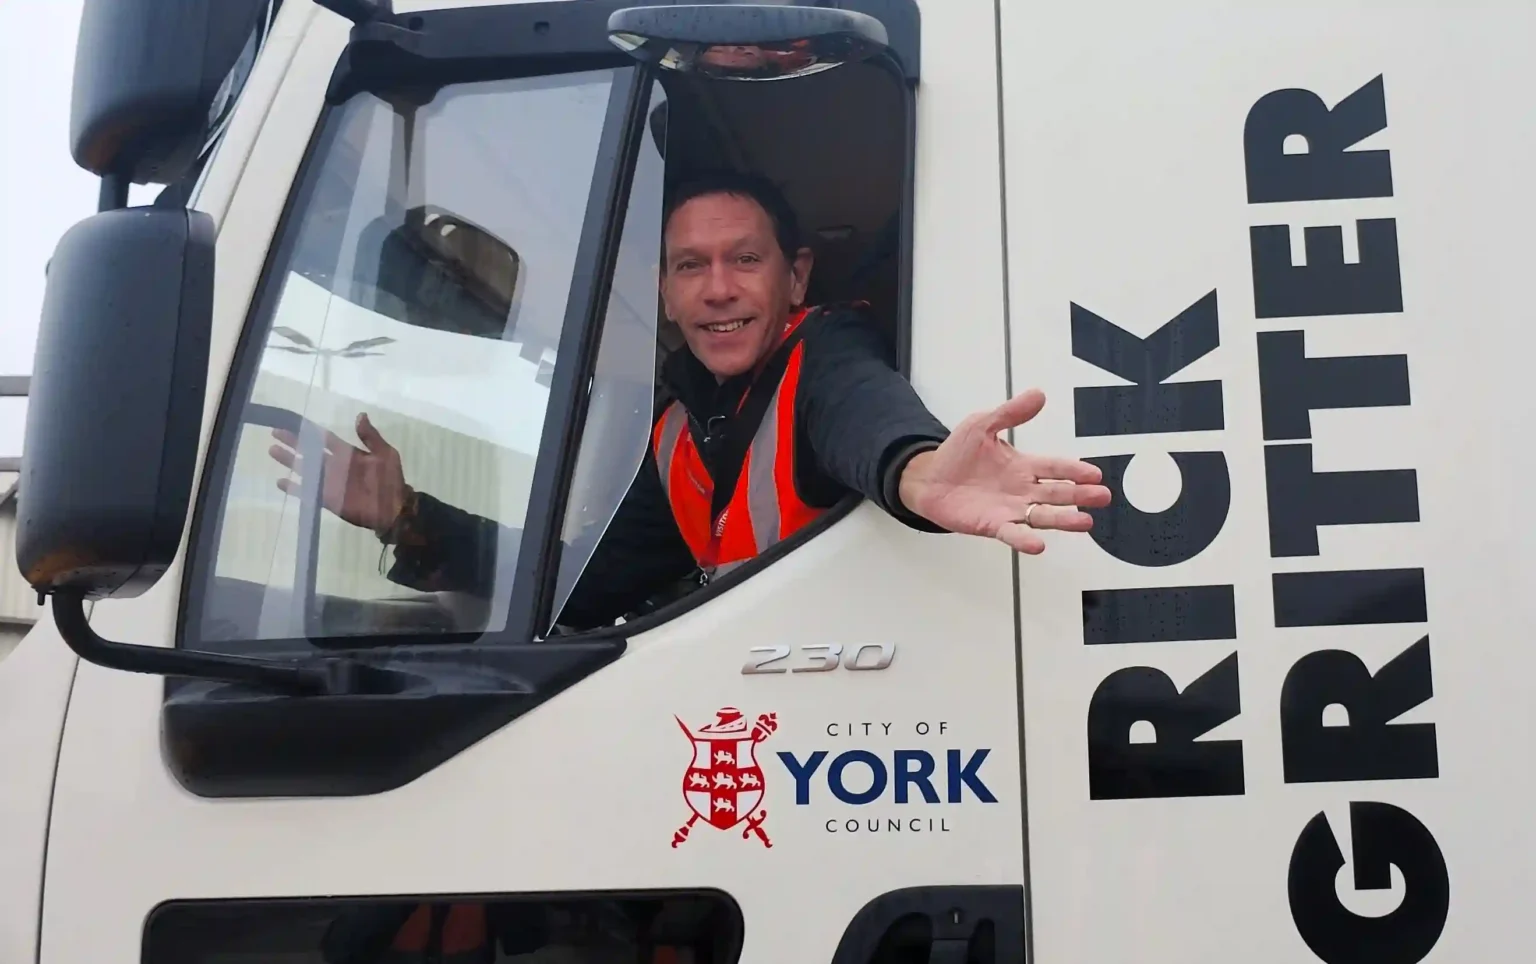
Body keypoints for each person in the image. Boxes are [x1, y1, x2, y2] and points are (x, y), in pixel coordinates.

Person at [269, 170, 1112, 630]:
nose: (717, 289)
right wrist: (405, 516)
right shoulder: (675, 433)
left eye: (744, 261)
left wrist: (917, 471)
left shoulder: (823, 354)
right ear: (666, 294)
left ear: (797, 277)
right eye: (688, 266)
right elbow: (574, 588)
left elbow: (862, 407)